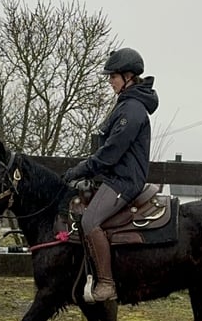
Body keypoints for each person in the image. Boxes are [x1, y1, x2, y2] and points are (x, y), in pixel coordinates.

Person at [62, 47, 159, 302]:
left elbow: (111, 152)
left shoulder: (132, 110)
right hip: (114, 178)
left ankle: (106, 283)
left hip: (123, 182)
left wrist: (80, 169)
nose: (110, 81)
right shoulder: (126, 105)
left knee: (89, 221)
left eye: (113, 76)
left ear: (128, 77)